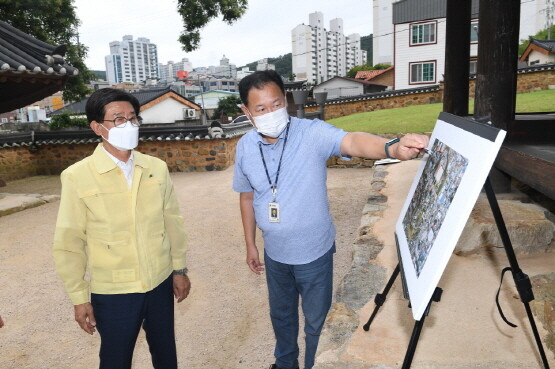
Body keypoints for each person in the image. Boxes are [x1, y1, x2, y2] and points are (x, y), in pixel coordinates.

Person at [233, 70, 428, 369]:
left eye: (276, 104)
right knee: (281, 316)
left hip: (313, 253)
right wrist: (250, 244)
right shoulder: (245, 147)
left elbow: (351, 142)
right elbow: (246, 197)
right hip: (275, 254)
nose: (271, 113)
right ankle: (285, 363)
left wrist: (391, 147)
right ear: (246, 112)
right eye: (261, 109)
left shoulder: (311, 133)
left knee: (316, 323)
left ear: (285, 100)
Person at [53, 88, 190, 369]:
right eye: (118, 119)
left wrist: (179, 270)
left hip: (159, 283)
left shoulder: (156, 168)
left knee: (166, 356)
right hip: (114, 291)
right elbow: (69, 242)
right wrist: (79, 298)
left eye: (132, 118)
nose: (128, 125)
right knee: (115, 360)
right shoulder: (77, 176)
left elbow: (172, 222)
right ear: (97, 127)